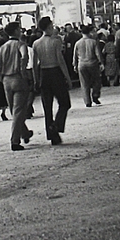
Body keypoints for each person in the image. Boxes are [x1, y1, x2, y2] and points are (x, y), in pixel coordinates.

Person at [32, 17, 70, 145]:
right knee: (65, 103)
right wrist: (67, 77)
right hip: (55, 73)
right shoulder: (55, 42)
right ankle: (56, 125)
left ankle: (52, 135)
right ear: (48, 27)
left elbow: (34, 64)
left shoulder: (36, 43)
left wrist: (36, 79)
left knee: (47, 108)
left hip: (43, 73)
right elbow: (60, 60)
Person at [0, 22, 34, 151]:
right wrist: (22, 70)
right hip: (18, 78)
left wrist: (2, 79)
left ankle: (25, 133)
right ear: (16, 31)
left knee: (14, 110)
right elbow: (24, 56)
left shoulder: (2, 47)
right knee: (18, 111)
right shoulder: (20, 44)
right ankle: (15, 140)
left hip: (6, 80)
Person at [73, 24, 103, 107]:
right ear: (89, 32)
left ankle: (87, 101)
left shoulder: (78, 43)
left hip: (82, 65)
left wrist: (75, 65)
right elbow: (98, 54)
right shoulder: (93, 42)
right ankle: (95, 95)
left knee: (84, 83)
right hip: (93, 64)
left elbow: (75, 56)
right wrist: (101, 63)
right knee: (96, 81)